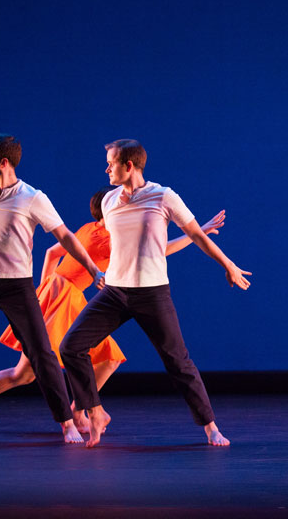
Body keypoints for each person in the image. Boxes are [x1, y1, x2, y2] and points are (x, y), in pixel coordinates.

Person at [0, 185, 226, 434]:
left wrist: (45, 289)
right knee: (28, 373)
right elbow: (158, 250)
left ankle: (79, 410)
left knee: (98, 360)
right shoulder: (107, 237)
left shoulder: (89, 229)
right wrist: (197, 232)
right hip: (63, 298)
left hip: (58, 294)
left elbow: (52, 253)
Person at [60, 139, 251, 448]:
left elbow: (195, 236)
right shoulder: (109, 202)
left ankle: (211, 427)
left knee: (178, 362)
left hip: (152, 294)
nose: (107, 168)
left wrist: (228, 264)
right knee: (70, 346)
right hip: (115, 292)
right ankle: (94, 411)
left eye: (112, 163)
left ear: (129, 165)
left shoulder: (163, 196)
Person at [0, 134, 105, 444]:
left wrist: (93, 267)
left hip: (17, 287)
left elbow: (66, 236)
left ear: (3, 162)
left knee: (42, 355)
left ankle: (67, 422)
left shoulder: (31, 197)